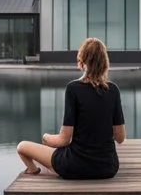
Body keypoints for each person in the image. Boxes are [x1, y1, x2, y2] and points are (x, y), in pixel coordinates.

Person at [16, 37, 125, 179]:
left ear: (82, 61)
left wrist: (46, 138)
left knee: (22, 146)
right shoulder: (113, 90)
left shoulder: (73, 89)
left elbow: (64, 140)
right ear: (105, 61)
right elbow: (120, 138)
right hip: (107, 167)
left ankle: (32, 170)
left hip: (75, 165)